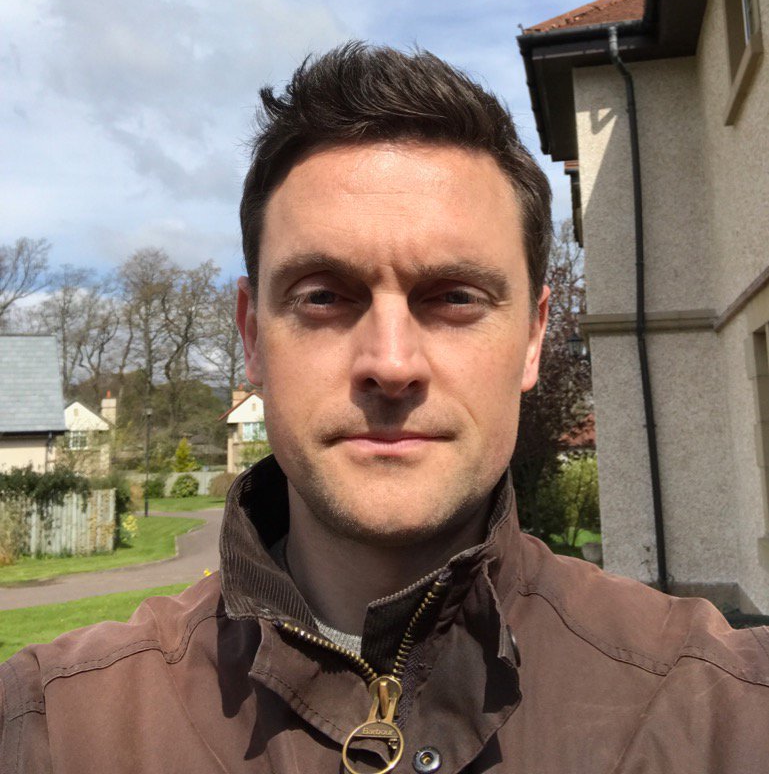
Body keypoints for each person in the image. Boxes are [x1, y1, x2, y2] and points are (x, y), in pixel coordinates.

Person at [1, 44, 768, 774]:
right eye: (324, 297)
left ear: (532, 339)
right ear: (252, 337)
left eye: (454, 297)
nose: (391, 364)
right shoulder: (54, 728)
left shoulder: (725, 711)